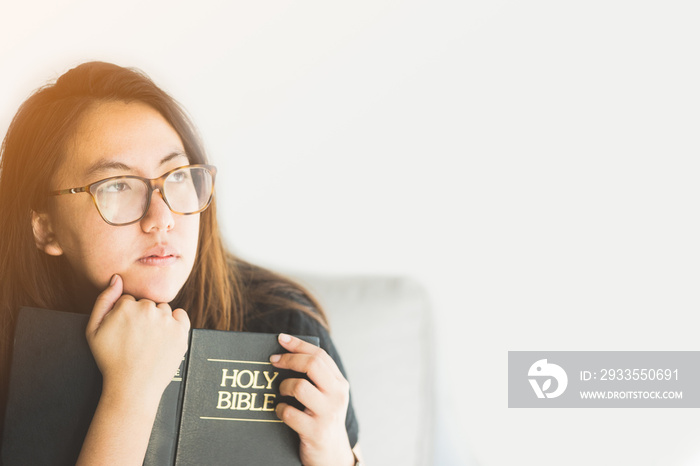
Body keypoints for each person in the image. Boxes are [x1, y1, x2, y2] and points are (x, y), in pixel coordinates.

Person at [0, 61, 361, 465]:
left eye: (176, 176)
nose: (162, 218)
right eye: (117, 185)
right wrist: (131, 393)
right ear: (45, 228)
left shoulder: (280, 323)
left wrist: (334, 454)